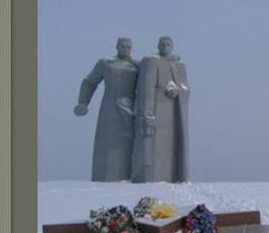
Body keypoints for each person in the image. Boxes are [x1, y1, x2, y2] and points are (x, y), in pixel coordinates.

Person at [74, 37, 139, 181]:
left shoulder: (138, 66)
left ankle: (131, 177)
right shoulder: (106, 64)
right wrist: (83, 103)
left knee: (130, 144)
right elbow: (89, 82)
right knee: (108, 144)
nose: (126, 49)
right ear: (117, 47)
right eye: (123, 46)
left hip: (131, 109)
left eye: (128, 47)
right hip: (110, 108)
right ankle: (105, 178)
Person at [131, 36, 190, 183]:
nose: (165, 46)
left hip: (173, 113)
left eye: (168, 44)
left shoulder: (179, 64)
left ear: (172, 46)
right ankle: (150, 177)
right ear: (158, 46)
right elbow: (146, 89)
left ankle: (173, 177)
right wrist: (147, 113)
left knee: (171, 147)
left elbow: (185, 88)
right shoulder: (151, 61)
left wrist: (177, 90)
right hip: (157, 108)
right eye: (162, 44)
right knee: (152, 146)